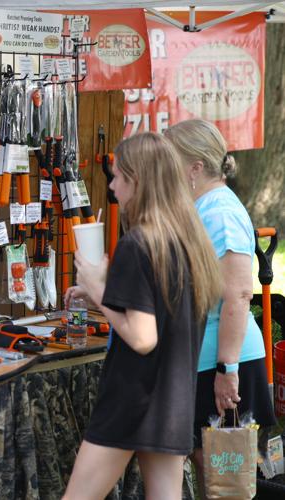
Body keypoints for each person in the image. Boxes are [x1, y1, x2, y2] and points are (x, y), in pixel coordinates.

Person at [62, 133, 222, 499]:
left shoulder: (139, 243)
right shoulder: (186, 240)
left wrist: (98, 289)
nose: (113, 186)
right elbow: (160, 311)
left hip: (132, 399)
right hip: (173, 399)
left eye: (118, 176)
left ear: (139, 180)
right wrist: (106, 292)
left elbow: (143, 336)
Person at [164, 119, 276, 496]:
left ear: (195, 167)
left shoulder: (220, 213)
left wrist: (227, 371)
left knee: (228, 483)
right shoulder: (205, 207)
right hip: (208, 363)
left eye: (171, 161)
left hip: (225, 366)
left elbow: (239, 294)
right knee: (215, 477)